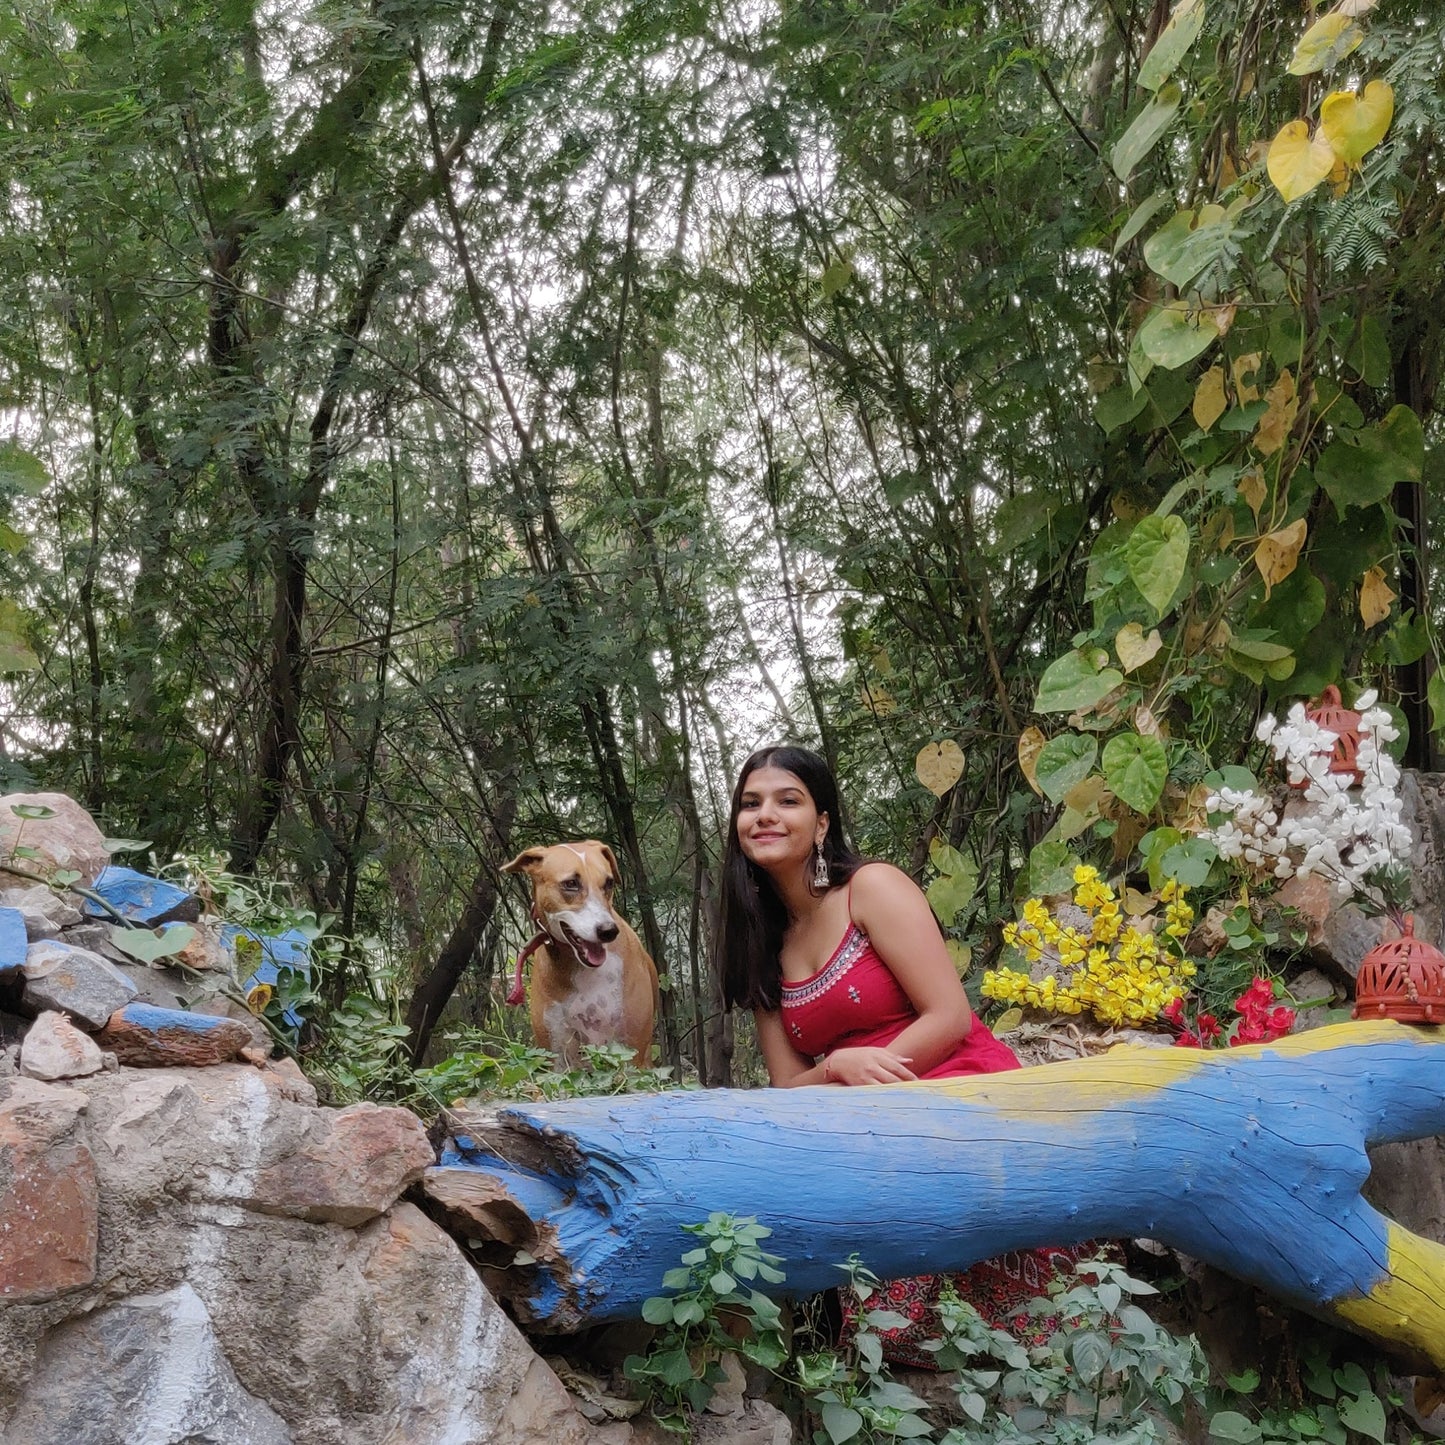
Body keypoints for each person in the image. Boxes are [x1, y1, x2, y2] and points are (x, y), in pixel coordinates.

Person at [716, 743, 1089, 1367]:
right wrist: (838, 1067)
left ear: (823, 821)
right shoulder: (763, 944)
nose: (766, 815)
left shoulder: (870, 889)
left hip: (953, 1084)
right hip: (858, 1116)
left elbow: (950, 1015)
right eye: (750, 804)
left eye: (788, 800)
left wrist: (872, 1071)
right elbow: (786, 1086)